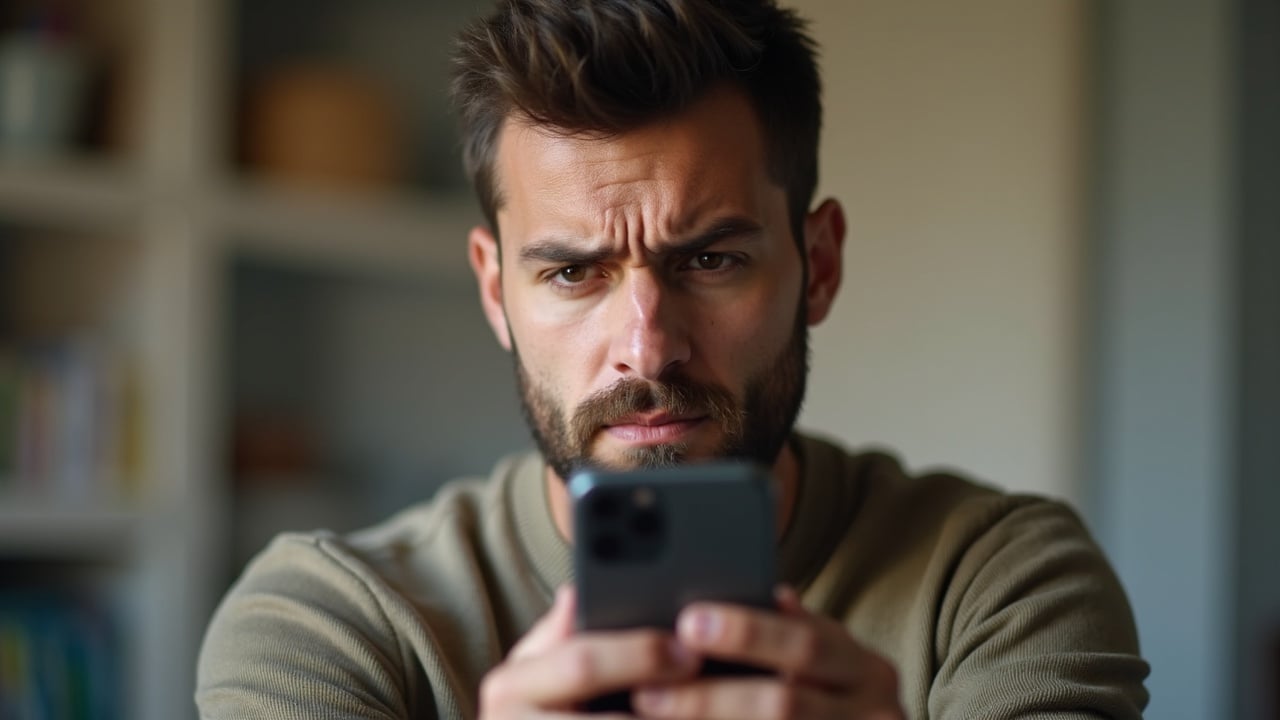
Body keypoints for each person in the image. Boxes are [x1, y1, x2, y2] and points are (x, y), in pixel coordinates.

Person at [196, 1, 1150, 718]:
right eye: (574, 273)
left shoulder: (998, 584)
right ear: (496, 292)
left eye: (711, 260)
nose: (647, 346)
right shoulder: (331, 624)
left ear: (817, 267)